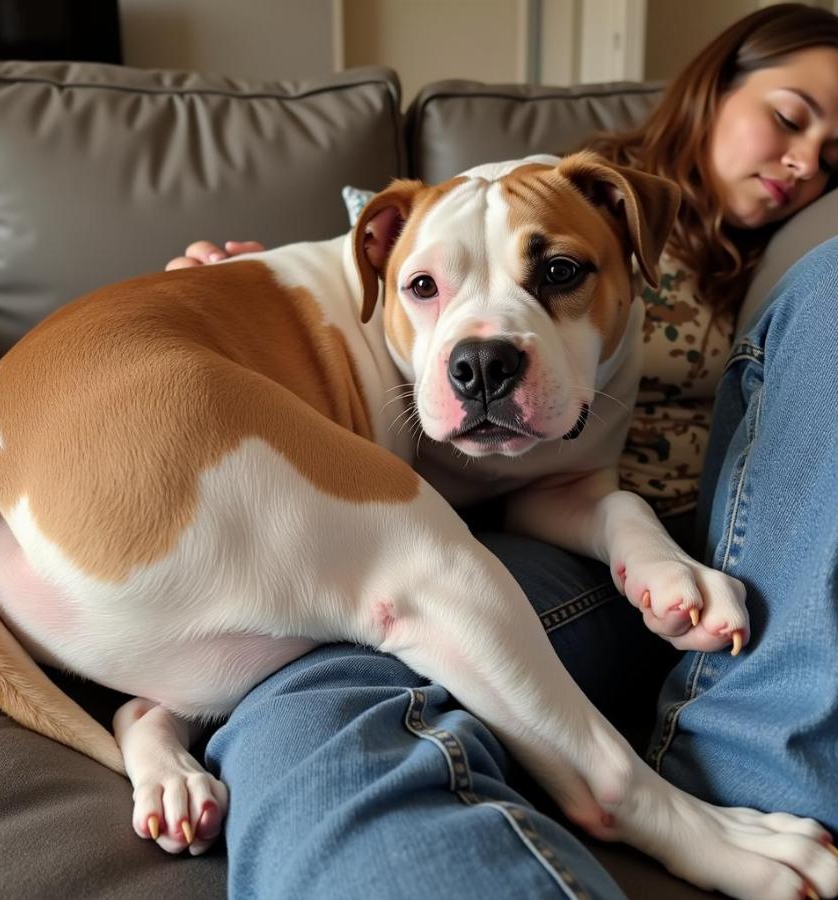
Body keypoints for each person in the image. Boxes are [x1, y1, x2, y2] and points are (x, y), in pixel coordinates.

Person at [165, 5, 838, 897]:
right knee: (327, 696)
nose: (805, 159)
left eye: (835, 154)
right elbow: (389, 277)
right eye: (791, 117)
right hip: (473, 529)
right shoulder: (560, 191)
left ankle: (723, 785)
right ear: (716, 87)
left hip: (677, 553)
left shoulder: (794, 266)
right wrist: (241, 293)